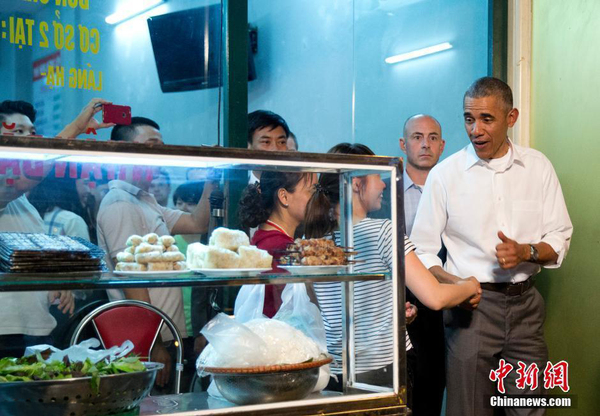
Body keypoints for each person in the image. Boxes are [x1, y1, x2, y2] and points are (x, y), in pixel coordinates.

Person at [410, 77, 573, 416]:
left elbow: (560, 237)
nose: (475, 129)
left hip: (526, 307)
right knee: (468, 409)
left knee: (529, 409)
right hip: (470, 311)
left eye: (487, 119)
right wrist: (456, 285)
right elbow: (422, 250)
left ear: (511, 118)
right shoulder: (445, 175)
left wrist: (526, 251)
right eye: (469, 118)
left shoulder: (538, 167)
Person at [304, 143, 481, 402]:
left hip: (337, 373)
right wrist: (470, 286)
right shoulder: (384, 232)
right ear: (356, 183)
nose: (384, 185)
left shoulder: (315, 243)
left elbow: (328, 307)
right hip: (384, 372)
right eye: (378, 177)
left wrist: (391, 314)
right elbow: (435, 297)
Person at [98, 124, 214, 390]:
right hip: (149, 340)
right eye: (152, 145)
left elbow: (197, 222)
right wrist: (153, 344)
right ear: (125, 151)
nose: (161, 153)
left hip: (166, 333)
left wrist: (211, 179)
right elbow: (130, 276)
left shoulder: (144, 201)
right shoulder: (120, 203)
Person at [399, 114, 446, 416]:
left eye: (432, 138)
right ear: (403, 144)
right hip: (398, 302)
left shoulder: (453, 190)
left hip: (442, 302)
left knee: (433, 386)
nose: (425, 144)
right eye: (417, 137)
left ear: (442, 146)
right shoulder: (383, 191)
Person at [238, 171, 317, 317]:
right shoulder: (281, 249)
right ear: (284, 196)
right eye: (312, 191)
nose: (318, 199)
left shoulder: (267, 238)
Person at [247, 110, 290, 183]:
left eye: (281, 142)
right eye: (266, 142)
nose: (275, 149)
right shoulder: (236, 188)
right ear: (248, 146)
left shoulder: (297, 189)